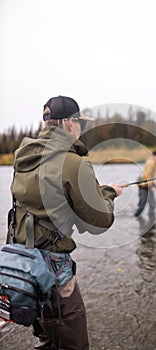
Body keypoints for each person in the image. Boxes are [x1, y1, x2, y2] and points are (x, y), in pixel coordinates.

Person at [6, 95, 122, 350]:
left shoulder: (23, 157)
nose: (81, 128)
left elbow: (46, 202)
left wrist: (95, 191)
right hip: (54, 272)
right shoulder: (73, 162)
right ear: (69, 123)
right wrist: (109, 194)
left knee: (46, 337)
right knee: (73, 342)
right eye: (80, 122)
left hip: (24, 269)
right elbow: (99, 221)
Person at [134, 150, 156, 217]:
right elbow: (148, 175)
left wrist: (154, 185)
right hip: (145, 186)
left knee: (150, 203)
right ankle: (136, 216)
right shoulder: (151, 163)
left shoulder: (153, 162)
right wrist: (151, 186)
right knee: (145, 204)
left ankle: (150, 218)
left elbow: (151, 176)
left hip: (146, 185)